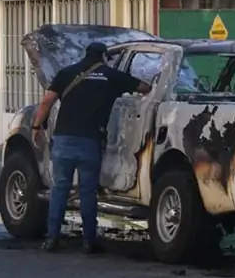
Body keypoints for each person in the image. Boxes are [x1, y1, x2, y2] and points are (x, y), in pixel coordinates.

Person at [31, 42, 151, 254]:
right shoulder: (111, 76)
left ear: (85, 55)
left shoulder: (66, 73)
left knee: (60, 189)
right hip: (90, 141)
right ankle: (89, 241)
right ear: (104, 57)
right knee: (88, 192)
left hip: (64, 139)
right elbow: (145, 88)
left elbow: (46, 101)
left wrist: (36, 126)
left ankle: (52, 238)